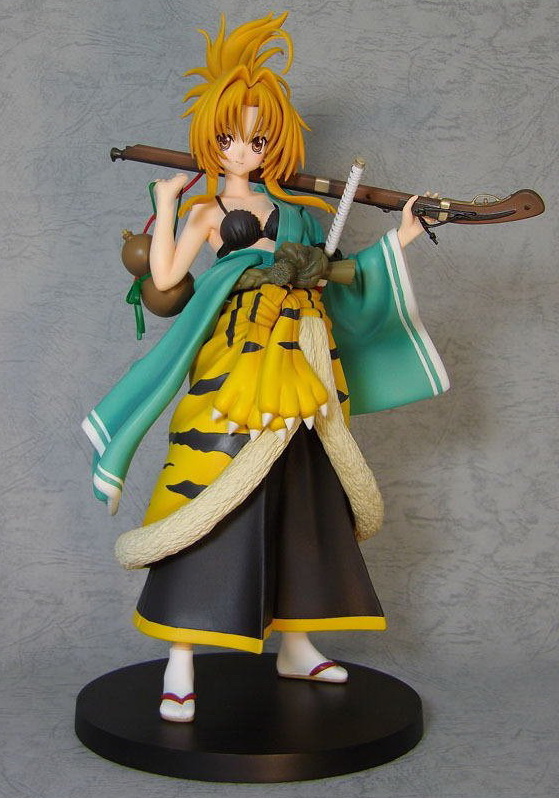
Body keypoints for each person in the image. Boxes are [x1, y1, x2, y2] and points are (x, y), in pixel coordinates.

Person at [83, 12, 449, 723]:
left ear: (273, 143)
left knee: (301, 498)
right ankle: (181, 657)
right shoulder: (206, 213)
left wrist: (401, 238)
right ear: (210, 139)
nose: (243, 151)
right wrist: (167, 204)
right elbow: (166, 280)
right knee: (204, 491)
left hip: (302, 363)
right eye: (229, 138)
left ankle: (296, 644)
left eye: (257, 139)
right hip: (236, 364)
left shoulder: (299, 211)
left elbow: (335, 272)